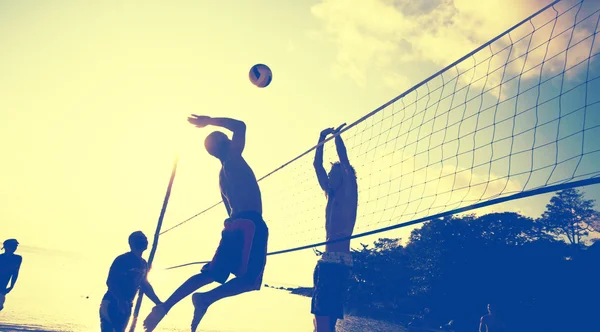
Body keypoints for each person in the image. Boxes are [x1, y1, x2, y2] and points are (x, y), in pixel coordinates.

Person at [143, 115, 269, 332]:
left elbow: (229, 211)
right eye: (226, 138)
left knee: (211, 273)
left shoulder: (222, 177)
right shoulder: (233, 158)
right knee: (251, 281)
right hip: (250, 224)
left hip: (233, 225)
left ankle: (166, 306)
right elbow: (240, 126)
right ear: (226, 144)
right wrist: (209, 120)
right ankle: (206, 299)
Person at [311, 124, 358, 332]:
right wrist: (321, 140)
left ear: (343, 176)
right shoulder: (330, 195)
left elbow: (346, 164)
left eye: (332, 174)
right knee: (320, 322)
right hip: (327, 261)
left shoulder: (348, 193)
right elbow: (316, 166)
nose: (328, 177)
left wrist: (337, 138)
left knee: (323, 321)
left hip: (337, 262)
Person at [100, 231, 162, 332]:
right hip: (112, 302)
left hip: (127, 305)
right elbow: (111, 282)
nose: (145, 241)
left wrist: (158, 302)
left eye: (145, 238)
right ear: (132, 242)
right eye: (141, 239)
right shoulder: (122, 259)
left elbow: (144, 285)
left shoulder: (143, 264)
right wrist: (120, 300)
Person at [0, 239, 22, 311]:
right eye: (12, 246)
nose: (14, 248)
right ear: (6, 247)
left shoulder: (17, 258)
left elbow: (15, 273)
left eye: (15, 246)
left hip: (3, 286)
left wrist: (12, 286)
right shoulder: (1, 257)